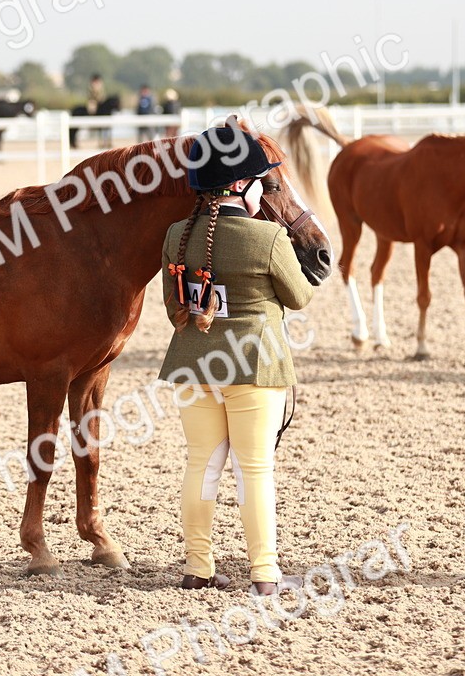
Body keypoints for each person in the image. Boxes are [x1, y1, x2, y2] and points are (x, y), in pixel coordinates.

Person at [159, 124, 315, 595]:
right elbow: (300, 297)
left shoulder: (174, 236)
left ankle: (197, 567)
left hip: (194, 362)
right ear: (244, 185)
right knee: (254, 468)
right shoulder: (266, 237)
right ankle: (264, 573)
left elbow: (175, 307)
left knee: (201, 464)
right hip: (253, 364)